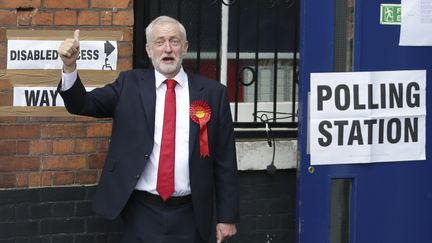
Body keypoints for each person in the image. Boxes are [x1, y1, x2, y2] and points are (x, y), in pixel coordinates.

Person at [58, 16, 239, 243]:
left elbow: (225, 160)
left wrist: (227, 216)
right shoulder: (128, 84)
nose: (167, 48)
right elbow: (82, 103)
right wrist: (69, 66)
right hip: (141, 210)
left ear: (185, 48)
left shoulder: (213, 93)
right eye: (160, 42)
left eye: (174, 41)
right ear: (148, 49)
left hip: (192, 212)